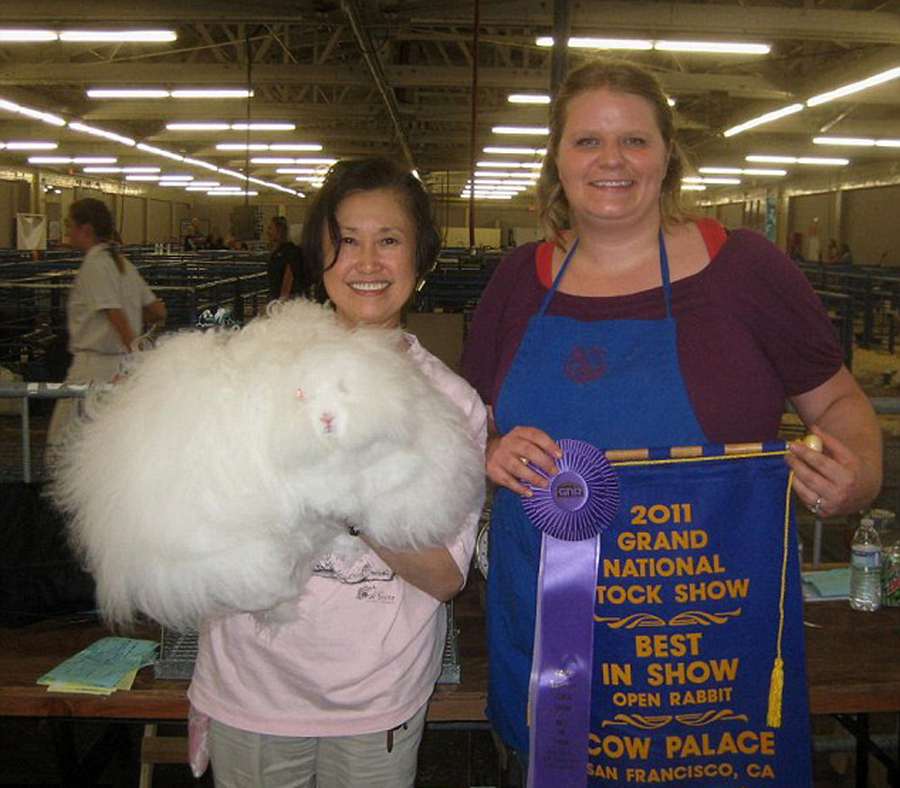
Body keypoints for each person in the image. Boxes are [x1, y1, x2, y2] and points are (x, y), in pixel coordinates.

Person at [461, 58, 882, 777]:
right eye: (587, 141)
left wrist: (857, 477)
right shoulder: (514, 281)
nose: (611, 160)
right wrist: (488, 447)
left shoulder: (747, 269)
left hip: (714, 646)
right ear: (557, 160)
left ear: (668, 157)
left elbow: (841, 401)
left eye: (635, 140)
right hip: (553, 640)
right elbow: (461, 423)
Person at [188, 157, 487, 788]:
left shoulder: (452, 402)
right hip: (255, 688)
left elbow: (444, 577)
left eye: (389, 241)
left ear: (421, 258)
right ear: (320, 255)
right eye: (346, 241)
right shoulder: (258, 367)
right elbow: (197, 524)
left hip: (378, 698)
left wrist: (349, 487)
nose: (368, 262)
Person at [47, 198, 166, 447]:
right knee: (115, 440)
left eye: (70, 225)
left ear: (86, 229)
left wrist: (133, 351)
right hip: (122, 365)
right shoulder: (123, 265)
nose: (67, 231)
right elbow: (157, 311)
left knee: (64, 441)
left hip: (95, 368)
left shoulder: (96, 265)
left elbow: (114, 315)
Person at [265, 215, 306, 301]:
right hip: (276, 295)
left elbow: (289, 276)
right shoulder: (276, 251)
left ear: (279, 231)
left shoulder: (290, 251)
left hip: (288, 298)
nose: (268, 232)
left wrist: (282, 300)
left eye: (270, 228)